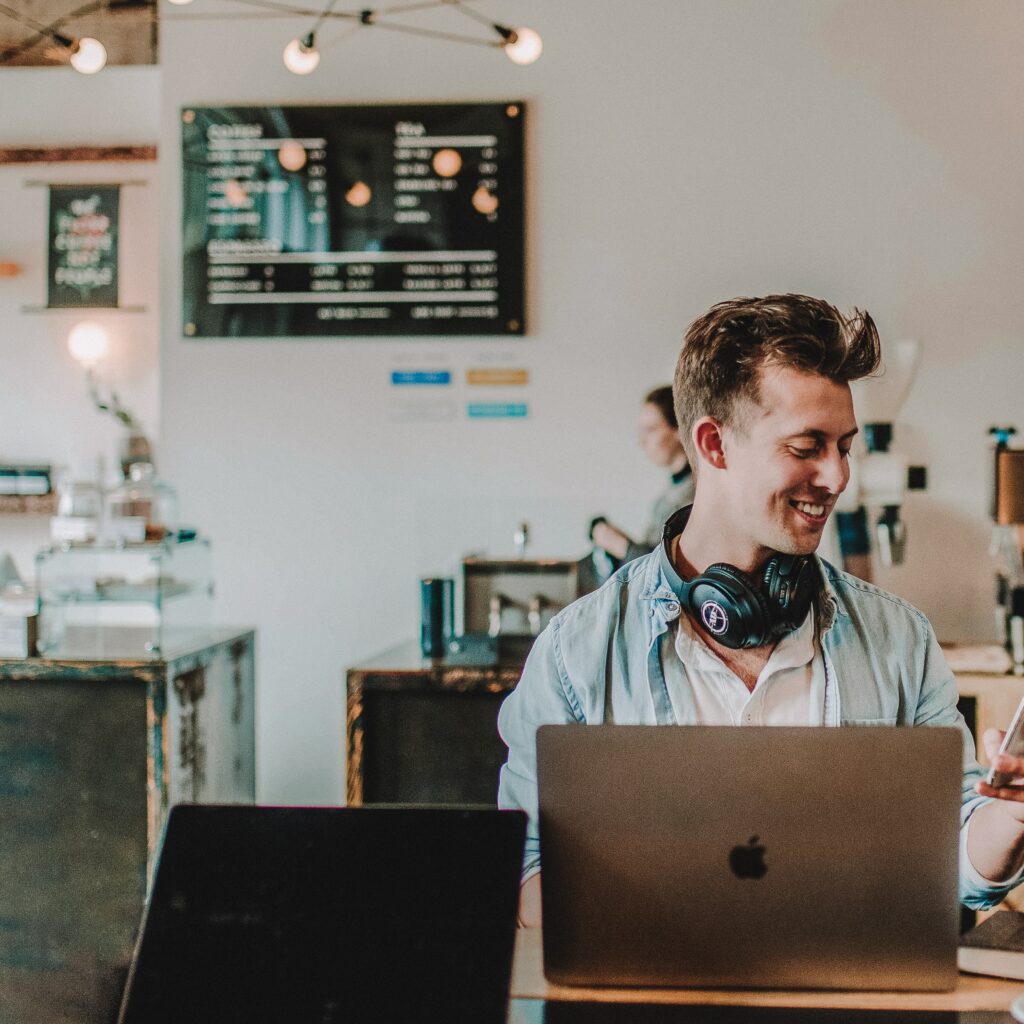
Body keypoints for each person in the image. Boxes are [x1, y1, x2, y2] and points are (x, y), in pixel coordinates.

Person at [498, 293, 1024, 929]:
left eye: (845, 446)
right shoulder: (573, 653)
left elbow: (956, 865)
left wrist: (1009, 817)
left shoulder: (900, 639)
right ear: (714, 445)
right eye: (807, 447)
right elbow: (525, 871)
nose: (837, 477)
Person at [591, 386, 696, 566]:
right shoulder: (671, 492)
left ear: (678, 429)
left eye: (651, 429)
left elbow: (669, 569)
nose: (642, 441)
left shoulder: (696, 493)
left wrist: (621, 546)